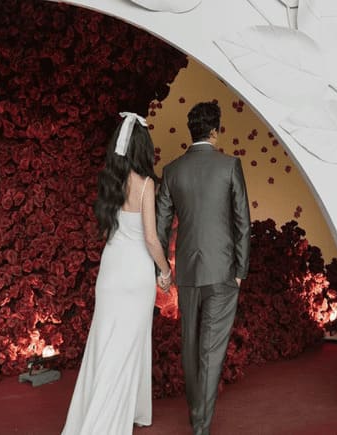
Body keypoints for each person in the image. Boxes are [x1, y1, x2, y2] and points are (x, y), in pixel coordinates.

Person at [62, 112, 171, 434]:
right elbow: (151, 238)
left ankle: (127, 411)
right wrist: (165, 271)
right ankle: (107, 421)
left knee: (105, 343)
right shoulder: (146, 184)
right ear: (143, 147)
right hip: (136, 274)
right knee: (129, 345)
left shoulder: (109, 180)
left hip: (110, 272)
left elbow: (108, 231)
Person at [156, 101, 251, 435]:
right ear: (215, 130)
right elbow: (242, 222)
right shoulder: (229, 166)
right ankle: (200, 425)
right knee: (211, 349)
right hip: (223, 270)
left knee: (191, 345)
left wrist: (162, 270)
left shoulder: (172, 170)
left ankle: (197, 413)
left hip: (187, 271)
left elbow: (161, 224)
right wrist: (240, 269)